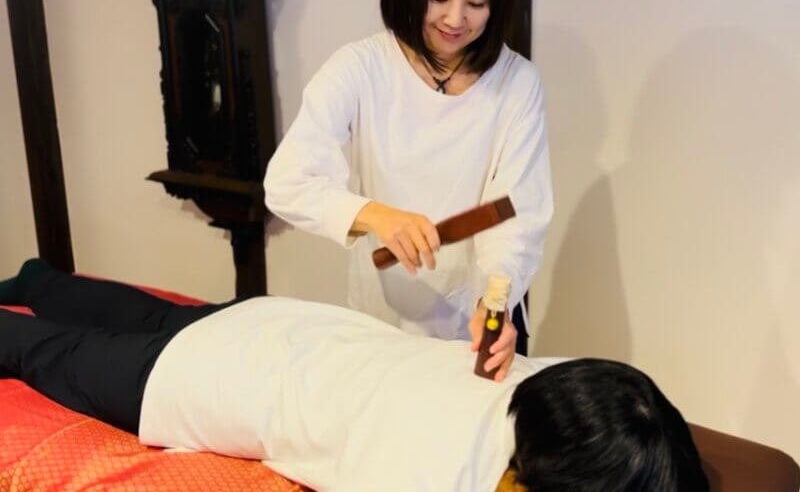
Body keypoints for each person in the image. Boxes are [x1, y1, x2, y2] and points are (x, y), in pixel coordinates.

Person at [0, 260, 709, 491]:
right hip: (216, 378)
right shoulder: (439, 475)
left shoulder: (543, 382)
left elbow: (627, 411)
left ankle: (36, 279)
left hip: (288, 324)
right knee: (48, 354)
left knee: (148, 313)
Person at [264, 0, 553, 381]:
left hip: (472, 336)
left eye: (476, 3)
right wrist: (375, 215)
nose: (456, 19)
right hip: (378, 329)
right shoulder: (362, 69)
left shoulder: (517, 84)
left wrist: (496, 299)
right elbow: (286, 181)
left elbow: (516, 213)